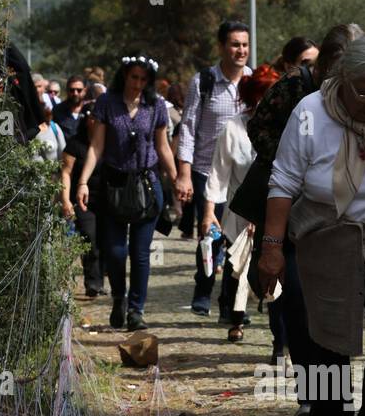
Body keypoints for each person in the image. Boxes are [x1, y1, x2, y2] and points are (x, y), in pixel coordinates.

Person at [259, 36, 365, 416]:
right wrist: (271, 247)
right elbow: (284, 181)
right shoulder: (309, 113)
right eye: (363, 89)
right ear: (341, 78)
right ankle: (329, 414)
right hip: (324, 230)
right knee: (326, 328)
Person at [246, 24, 365, 416]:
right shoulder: (295, 89)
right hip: (292, 209)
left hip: (350, 222)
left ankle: (341, 407)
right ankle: (314, 398)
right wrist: (293, 161)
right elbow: (257, 130)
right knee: (298, 305)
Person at [76, 53, 178, 332]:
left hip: (146, 183)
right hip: (115, 184)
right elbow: (96, 146)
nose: (138, 83)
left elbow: (163, 146)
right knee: (116, 251)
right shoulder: (107, 103)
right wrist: (83, 181)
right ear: (125, 76)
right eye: (134, 77)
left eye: (144, 79)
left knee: (141, 252)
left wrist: (177, 179)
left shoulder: (155, 105)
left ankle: (136, 310)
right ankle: (119, 297)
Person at [199, 64, 281, 340]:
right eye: (265, 93)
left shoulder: (285, 126)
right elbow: (219, 173)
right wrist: (209, 212)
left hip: (277, 210)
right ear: (254, 95)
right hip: (241, 211)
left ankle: (279, 335)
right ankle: (236, 319)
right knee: (239, 267)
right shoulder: (234, 128)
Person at [175, 21, 252, 303]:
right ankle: (203, 291)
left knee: (238, 236)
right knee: (210, 231)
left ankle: (230, 301)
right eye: (235, 44)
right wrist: (183, 173)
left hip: (242, 174)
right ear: (222, 47)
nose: (240, 50)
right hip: (207, 170)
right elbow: (188, 127)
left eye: (244, 44)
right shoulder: (203, 82)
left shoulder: (255, 82)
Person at [61, 111, 105, 297]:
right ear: (86, 120)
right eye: (92, 117)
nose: (95, 121)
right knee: (90, 237)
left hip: (105, 199)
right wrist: (65, 200)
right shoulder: (75, 144)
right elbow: (65, 173)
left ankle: (100, 279)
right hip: (82, 201)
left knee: (103, 241)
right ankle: (92, 282)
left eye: (98, 117)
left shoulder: (108, 143)